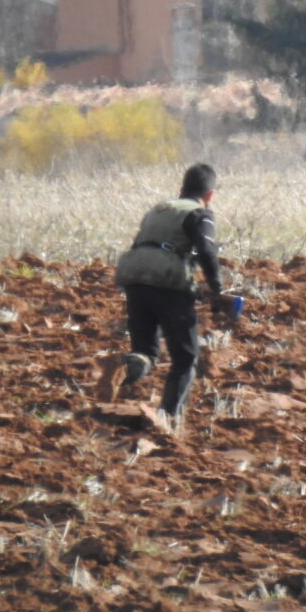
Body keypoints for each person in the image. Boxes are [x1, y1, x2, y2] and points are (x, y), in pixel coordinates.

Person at [108, 163, 223, 427]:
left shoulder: (158, 209)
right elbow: (206, 249)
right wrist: (217, 289)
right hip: (167, 282)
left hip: (134, 278)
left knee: (145, 351)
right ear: (210, 195)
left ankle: (127, 365)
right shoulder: (200, 213)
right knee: (185, 358)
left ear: (181, 189)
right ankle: (170, 420)